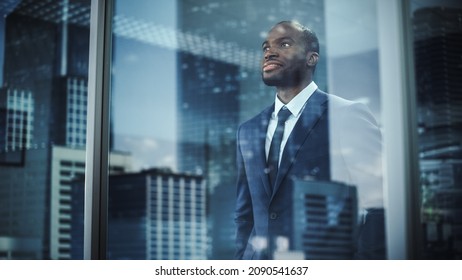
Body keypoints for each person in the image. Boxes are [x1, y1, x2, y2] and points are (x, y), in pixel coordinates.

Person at [234, 21, 385, 260]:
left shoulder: (345, 115)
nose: (269, 52)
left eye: (284, 44)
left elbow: (380, 205)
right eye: (265, 47)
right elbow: (245, 213)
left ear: (311, 58)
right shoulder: (248, 130)